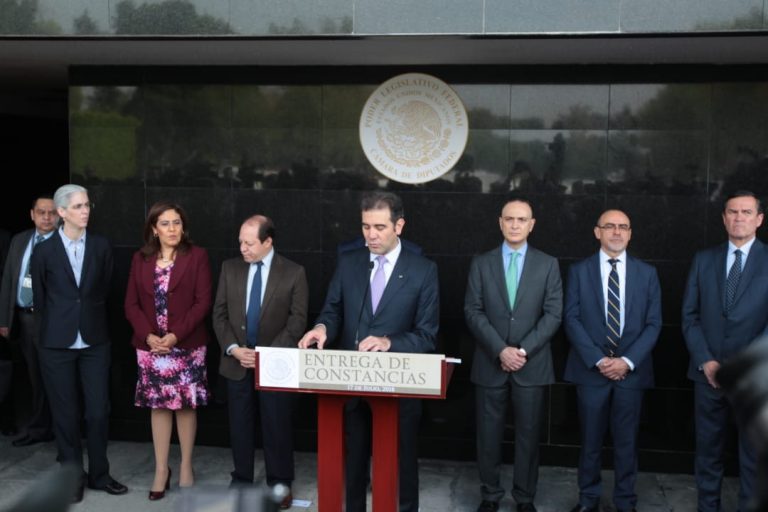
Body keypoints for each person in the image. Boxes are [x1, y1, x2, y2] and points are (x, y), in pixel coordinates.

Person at [298, 191, 439, 512]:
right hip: (352, 385)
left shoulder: (423, 270)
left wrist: (390, 342)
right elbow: (332, 311)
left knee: (401, 466)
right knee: (354, 464)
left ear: (399, 225)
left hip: (401, 387)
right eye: (365, 227)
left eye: (379, 227)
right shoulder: (349, 263)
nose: (371, 235)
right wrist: (322, 329)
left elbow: (427, 335)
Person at [464, 196, 562, 512]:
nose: (515, 225)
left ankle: (524, 498)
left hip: (531, 364)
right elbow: (473, 311)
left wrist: (521, 351)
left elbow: (553, 314)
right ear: (500, 223)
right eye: (510, 219)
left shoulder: (548, 264)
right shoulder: (481, 263)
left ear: (531, 225)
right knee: (488, 436)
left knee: (529, 437)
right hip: (490, 362)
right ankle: (490, 496)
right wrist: (500, 350)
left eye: (522, 220)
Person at [31, 184, 128, 502]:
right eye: (78, 206)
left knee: (98, 411)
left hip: (95, 342)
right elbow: (42, 300)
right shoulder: (43, 251)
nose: (85, 211)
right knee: (65, 414)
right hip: (56, 343)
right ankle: (72, 477)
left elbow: (108, 290)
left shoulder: (101, 246)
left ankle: (100, 474)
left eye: (87, 205)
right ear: (61, 212)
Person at [563, 209, 661, 512]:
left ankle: (625, 501)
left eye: (623, 227)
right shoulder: (579, 271)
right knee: (590, 443)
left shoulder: (647, 274)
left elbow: (654, 324)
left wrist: (627, 361)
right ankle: (588, 499)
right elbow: (571, 318)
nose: (616, 232)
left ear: (630, 233)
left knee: (627, 444)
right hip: (591, 372)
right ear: (597, 232)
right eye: (610, 227)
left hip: (631, 373)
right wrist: (599, 360)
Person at [213, 215, 308, 510]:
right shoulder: (230, 268)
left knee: (276, 425)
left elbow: (298, 321)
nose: (242, 248)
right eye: (240, 242)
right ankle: (241, 479)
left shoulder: (293, 272)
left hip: (275, 364)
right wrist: (232, 348)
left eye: (249, 243)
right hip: (236, 362)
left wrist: (267, 354)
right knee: (240, 426)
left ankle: (280, 484)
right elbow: (219, 314)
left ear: (268, 241)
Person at [682, 190, 768, 512]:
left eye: (746, 212)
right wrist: (706, 361)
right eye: (732, 212)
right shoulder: (703, 260)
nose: (739, 218)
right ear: (723, 218)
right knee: (708, 453)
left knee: (753, 457)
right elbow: (689, 316)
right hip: (708, 376)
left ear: (759, 219)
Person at [124, 200, 212, 500]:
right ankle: (161, 469)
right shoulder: (140, 259)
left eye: (177, 223)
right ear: (154, 229)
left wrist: (174, 336)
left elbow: (203, 302)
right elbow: (131, 304)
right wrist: (148, 336)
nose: (172, 229)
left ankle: (186, 466)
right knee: (159, 406)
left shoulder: (197, 256)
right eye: (165, 223)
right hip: (150, 347)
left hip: (185, 346)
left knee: (185, 407)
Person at [0, 195, 58, 447]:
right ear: (32, 214)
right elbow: (9, 281)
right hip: (24, 320)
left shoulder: (64, 241)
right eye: (41, 212)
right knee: (34, 376)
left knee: (55, 377)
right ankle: (39, 427)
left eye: (51, 212)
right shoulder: (19, 240)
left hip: (53, 321)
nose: (46, 217)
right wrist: (5, 319)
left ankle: (57, 428)